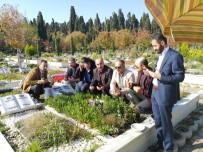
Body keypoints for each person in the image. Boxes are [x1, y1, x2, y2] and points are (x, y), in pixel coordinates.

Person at [147, 33, 185, 152]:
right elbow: (160, 71)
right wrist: (151, 72)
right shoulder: (160, 55)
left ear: (162, 43)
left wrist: (161, 77)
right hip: (155, 92)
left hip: (165, 95)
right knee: (158, 121)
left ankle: (168, 148)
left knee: (166, 123)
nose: (154, 48)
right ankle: (160, 143)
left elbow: (180, 77)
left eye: (155, 46)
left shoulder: (175, 56)